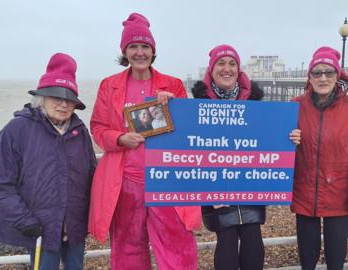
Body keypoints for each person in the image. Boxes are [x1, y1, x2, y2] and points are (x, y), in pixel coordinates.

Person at [88, 13, 200, 269]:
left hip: (166, 179)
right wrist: (119, 138)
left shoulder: (172, 84)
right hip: (126, 180)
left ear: (153, 50)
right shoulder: (109, 85)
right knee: (127, 247)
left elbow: (187, 133)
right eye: (133, 46)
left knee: (178, 244)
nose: (140, 52)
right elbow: (97, 128)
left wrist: (175, 107)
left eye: (145, 47)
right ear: (125, 51)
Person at [0, 53, 96, 269]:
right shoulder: (16, 130)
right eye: (57, 97)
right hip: (39, 229)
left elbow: (93, 176)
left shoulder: (80, 132)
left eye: (70, 100)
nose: (64, 104)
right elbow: (0, 186)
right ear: (42, 97)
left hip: (75, 227)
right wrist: (25, 221)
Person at [290, 47, 348, 270]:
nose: (323, 77)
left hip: (340, 192)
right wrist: (290, 140)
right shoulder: (295, 106)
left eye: (328, 72)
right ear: (310, 77)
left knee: (336, 256)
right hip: (305, 193)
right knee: (307, 255)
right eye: (317, 73)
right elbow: (279, 149)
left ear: (337, 76)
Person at [192, 44, 266, 270]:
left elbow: (267, 139)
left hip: (250, 184)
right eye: (221, 63)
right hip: (215, 188)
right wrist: (208, 189)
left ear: (239, 69)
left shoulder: (255, 104)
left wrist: (290, 137)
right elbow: (189, 149)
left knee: (253, 235)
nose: (227, 69)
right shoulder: (197, 106)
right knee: (226, 236)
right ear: (211, 70)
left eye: (232, 63)